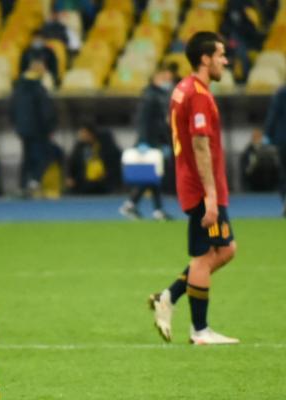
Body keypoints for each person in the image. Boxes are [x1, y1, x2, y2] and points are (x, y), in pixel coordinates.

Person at [148, 32, 239, 345]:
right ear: (205, 58)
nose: (225, 61)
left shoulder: (183, 88)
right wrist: (211, 195)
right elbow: (200, 144)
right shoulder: (198, 94)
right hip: (202, 186)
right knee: (204, 255)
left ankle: (168, 297)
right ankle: (200, 331)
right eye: (221, 55)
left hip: (194, 181)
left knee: (225, 249)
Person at [119, 65, 175, 221]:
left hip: (156, 140)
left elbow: (160, 122)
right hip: (149, 142)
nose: (168, 81)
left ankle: (148, 208)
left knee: (153, 175)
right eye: (165, 78)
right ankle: (137, 205)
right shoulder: (150, 96)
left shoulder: (160, 94)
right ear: (156, 77)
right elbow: (143, 120)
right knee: (150, 175)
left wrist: (164, 141)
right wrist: (143, 141)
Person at [10, 57, 58, 196]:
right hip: (39, 129)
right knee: (44, 155)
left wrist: (17, 125)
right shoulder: (38, 87)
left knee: (27, 157)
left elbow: (12, 109)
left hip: (23, 129)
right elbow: (45, 110)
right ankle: (34, 181)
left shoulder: (19, 86)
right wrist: (50, 127)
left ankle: (23, 185)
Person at [67, 122, 117, 194]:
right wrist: (70, 177)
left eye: (84, 132)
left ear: (91, 133)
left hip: (103, 185)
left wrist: (108, 176)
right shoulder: (79, 148)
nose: (81, 135)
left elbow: (113, 164)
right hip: (83, 185)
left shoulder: (105, 146)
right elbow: (72, 163)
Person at [264, 84, 286, 216]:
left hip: (283, 140)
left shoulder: (281, 93)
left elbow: (273, 115)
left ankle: (285, 200)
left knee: (284, 172)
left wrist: (268, 134)